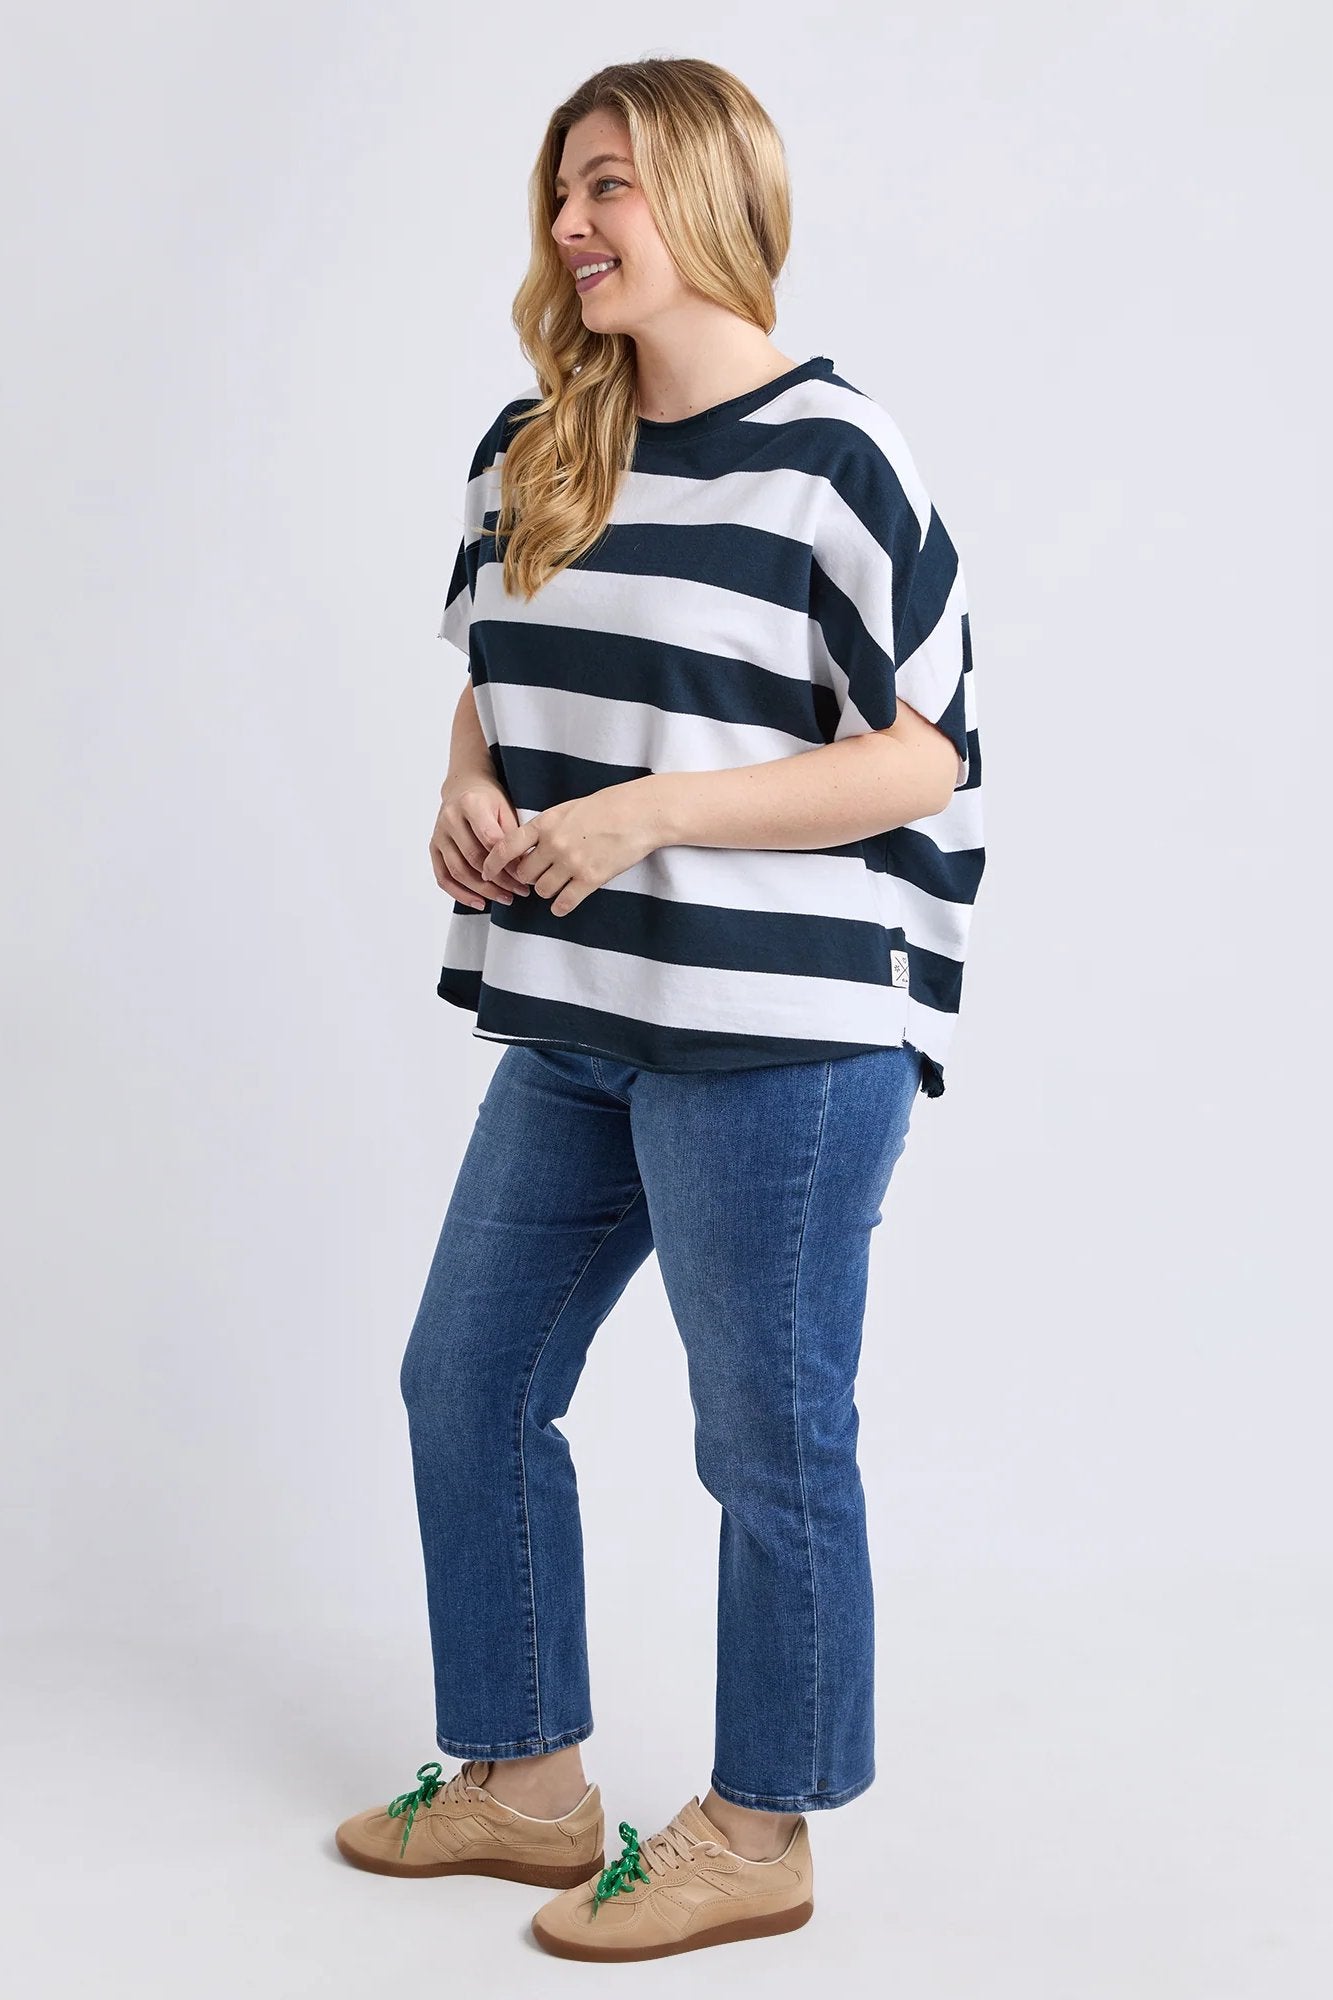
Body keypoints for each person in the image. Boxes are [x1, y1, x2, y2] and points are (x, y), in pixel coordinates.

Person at [335, 55, 986, 1964]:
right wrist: (463, 788)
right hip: (576, 1011)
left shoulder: (837, 457)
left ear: (706, 198)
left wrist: (652, 813)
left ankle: (761, 1828)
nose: (569, 225)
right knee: (467, 1381)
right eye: (560, 188)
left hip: (779, 1040)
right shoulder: (534, 443)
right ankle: (525, 1780)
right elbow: (495, 677)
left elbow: (927, 755)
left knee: (765, 1436)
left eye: (607, 184)